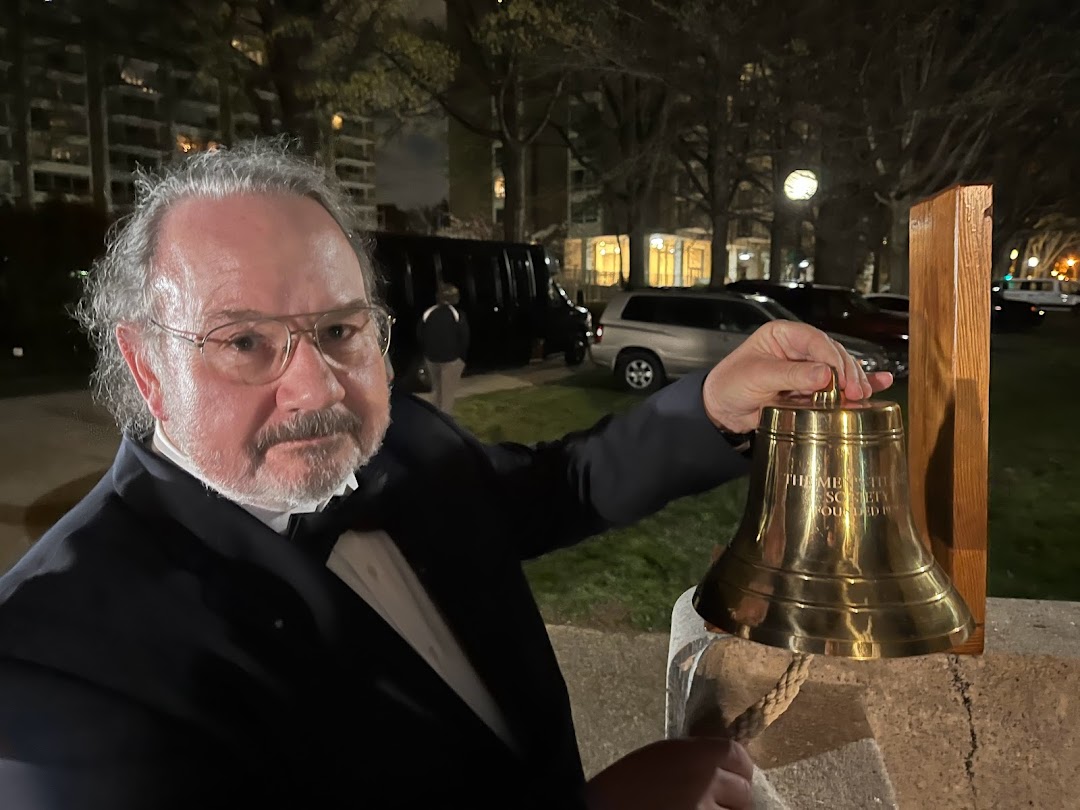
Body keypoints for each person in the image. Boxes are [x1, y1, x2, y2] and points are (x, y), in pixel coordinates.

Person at [0, 142, 889, 810]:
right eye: (243, 342)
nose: (318, 388)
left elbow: (559, 488)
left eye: (343, 331)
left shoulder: (403, 443)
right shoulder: (51, 664)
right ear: (146, 366)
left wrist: (715, 404)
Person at [419, 282, 470, 413]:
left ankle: (435, 420)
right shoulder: (457, 314)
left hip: (431, 359)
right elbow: (464, 337)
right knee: (447, 397)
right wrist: (461, 358)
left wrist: (427, 352)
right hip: (451, 360)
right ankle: (444, 425)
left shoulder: (428, 313)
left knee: (436, 392)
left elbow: (419, 334)